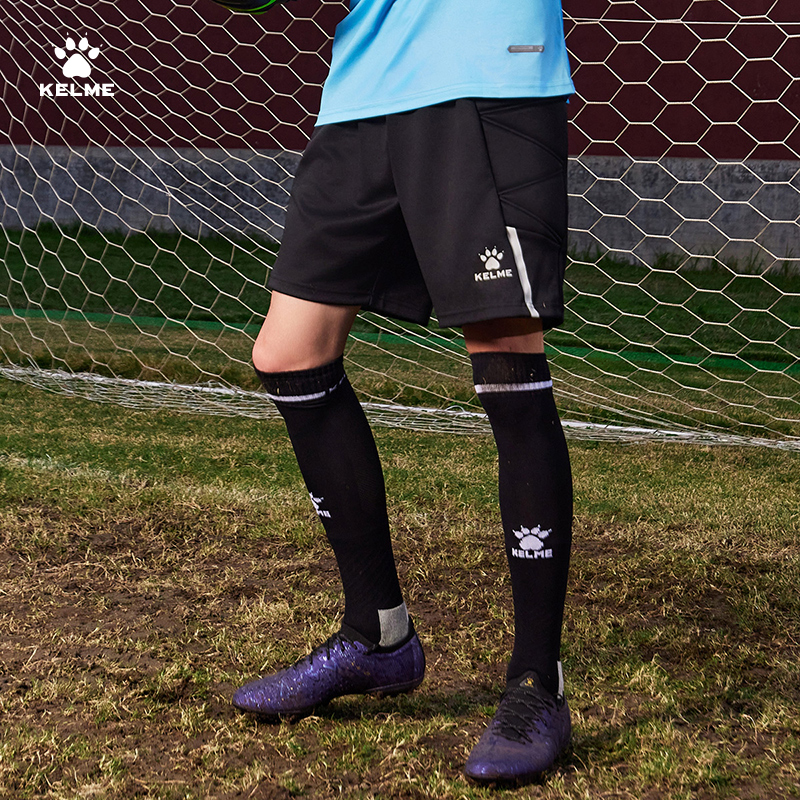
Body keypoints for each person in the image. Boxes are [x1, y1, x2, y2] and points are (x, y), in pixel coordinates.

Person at [232, 0, 575, 785]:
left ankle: (536, 683)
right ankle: (378, 635)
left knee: (506, 360)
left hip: (486, 66)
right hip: (366, 81)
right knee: (289, 353)